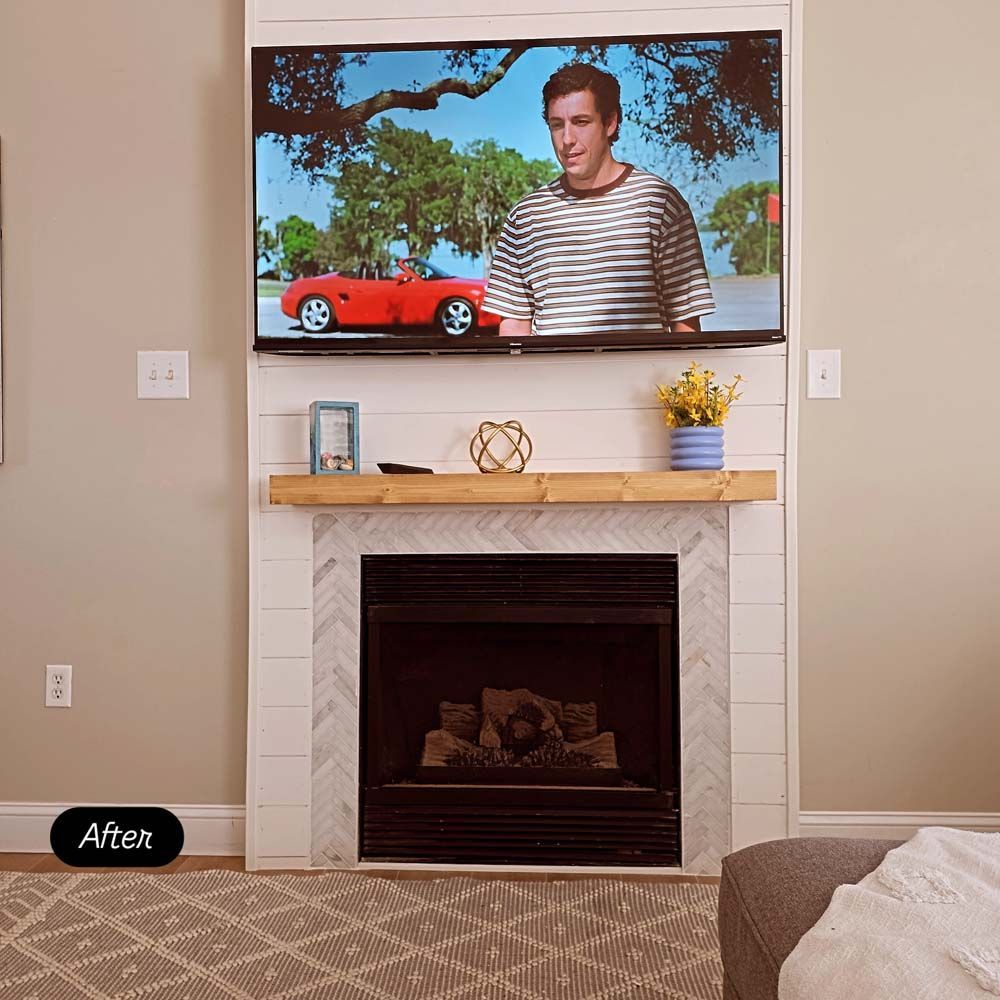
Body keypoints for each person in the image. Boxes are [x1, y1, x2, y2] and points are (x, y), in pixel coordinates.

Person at [482, 62, 715, 337]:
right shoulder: (526, 217)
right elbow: (514, 329)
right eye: (557, 125)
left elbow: (686, 325)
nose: (567, 139)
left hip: (641, 380)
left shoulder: (658, 203)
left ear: (610, 122)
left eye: (581, 122)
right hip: (552, 380)